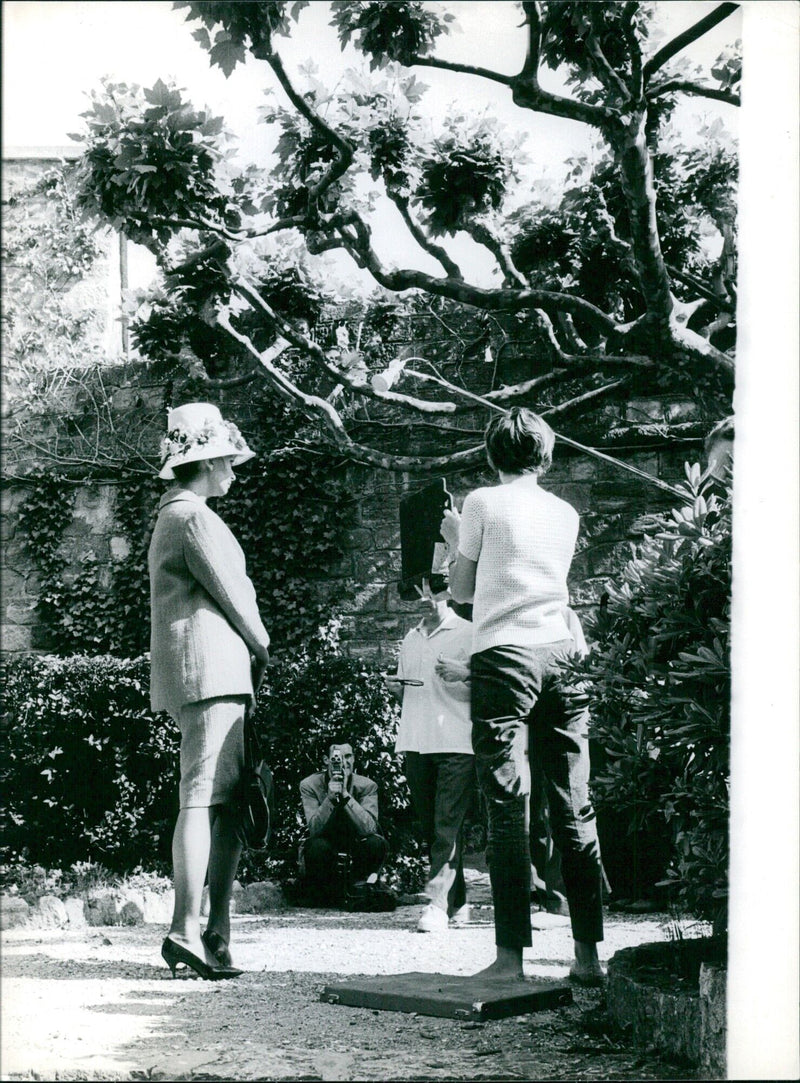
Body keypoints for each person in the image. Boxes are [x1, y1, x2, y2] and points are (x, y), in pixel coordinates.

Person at [440, 407, 605, 985]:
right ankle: (587, 958)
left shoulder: (482, 504)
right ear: (546, 453)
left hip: (504, 655)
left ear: (492, 454)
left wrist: (452, 540)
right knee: (572, 799)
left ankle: (510, 958)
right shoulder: (565, 511)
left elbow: (461, 594)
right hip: (562, 652)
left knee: (508, 800)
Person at [149, 402, 271, 980]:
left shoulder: (175, 513)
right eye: (227, 458)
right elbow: (237, 597)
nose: (234, 469)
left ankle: (212, 931)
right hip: (214, 671)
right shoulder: (193, 517)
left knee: (224, 802)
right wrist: (264, 644)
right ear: (205, 459)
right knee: (201, 797)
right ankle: (185, 928)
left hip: (205, 672)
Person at [384, 580, 475, 933]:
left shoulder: (468, 632)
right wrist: (397, 689)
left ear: (448, 592)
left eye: (432, 590)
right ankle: (459, 902)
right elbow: (410, 692)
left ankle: (436, 904)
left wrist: (463, 675)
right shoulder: (411, 638)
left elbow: (490, 685)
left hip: (456, 740)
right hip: (417, 741)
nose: (424, 598)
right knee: (431, 826)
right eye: (417, 592)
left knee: (446, 825)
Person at [298, 741, 387, 905]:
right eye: (337, 758)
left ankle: (361, 888)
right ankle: (326, 891)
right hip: (325, 841)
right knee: (316, 847)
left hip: (357, 839)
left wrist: (345, 795)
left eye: (348, 756)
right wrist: (330, 798)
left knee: (376, 843)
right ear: (326, 760)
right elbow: (314, 829)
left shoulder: (367, 786)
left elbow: (369, 828)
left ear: (353, 759)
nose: (343, 762)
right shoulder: (309, 785)